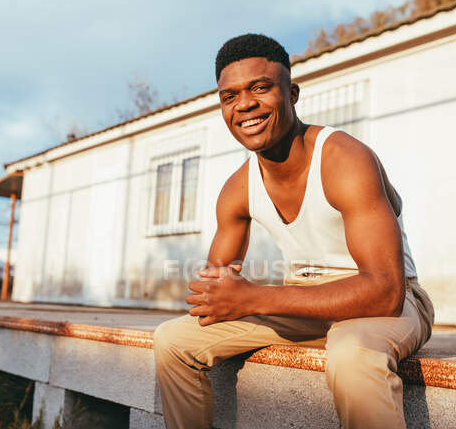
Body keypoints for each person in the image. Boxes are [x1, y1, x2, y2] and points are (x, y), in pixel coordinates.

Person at [153, 33, 434, 429]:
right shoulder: (237, 189)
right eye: (229, 96)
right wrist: (225, 295)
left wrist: (255, 296)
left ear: (293, 93)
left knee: (351, 353)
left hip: (392, 298)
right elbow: (214, 295)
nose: (245, 104)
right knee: (173, 339)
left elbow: (385, 292)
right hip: (304, 302)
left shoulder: (343, 159)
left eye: (261, 88)